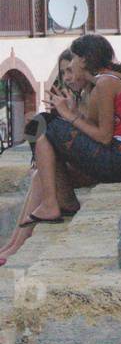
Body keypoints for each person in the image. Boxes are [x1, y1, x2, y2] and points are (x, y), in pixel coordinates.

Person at [23, 34, 121, 226]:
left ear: (83, 60)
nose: (70, 65)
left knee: (42, 125)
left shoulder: (106, 83)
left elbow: (103, 137)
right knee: (42, 125)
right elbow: (92, 129)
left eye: (72, 59)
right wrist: (73, 114)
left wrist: (67, 115)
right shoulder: (108, 80)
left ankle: (53, 203)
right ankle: (61, 202)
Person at [0, 51, 92, 264]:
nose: (67, 78)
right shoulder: (77, 96)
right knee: (39, 175)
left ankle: (18, 244)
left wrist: (72, 114)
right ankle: (13, 242)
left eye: (70, 71)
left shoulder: (91, 95)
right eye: (63, 73)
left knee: (41, 176)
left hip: (95, 168)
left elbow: (93, 138)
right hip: (82, 163)